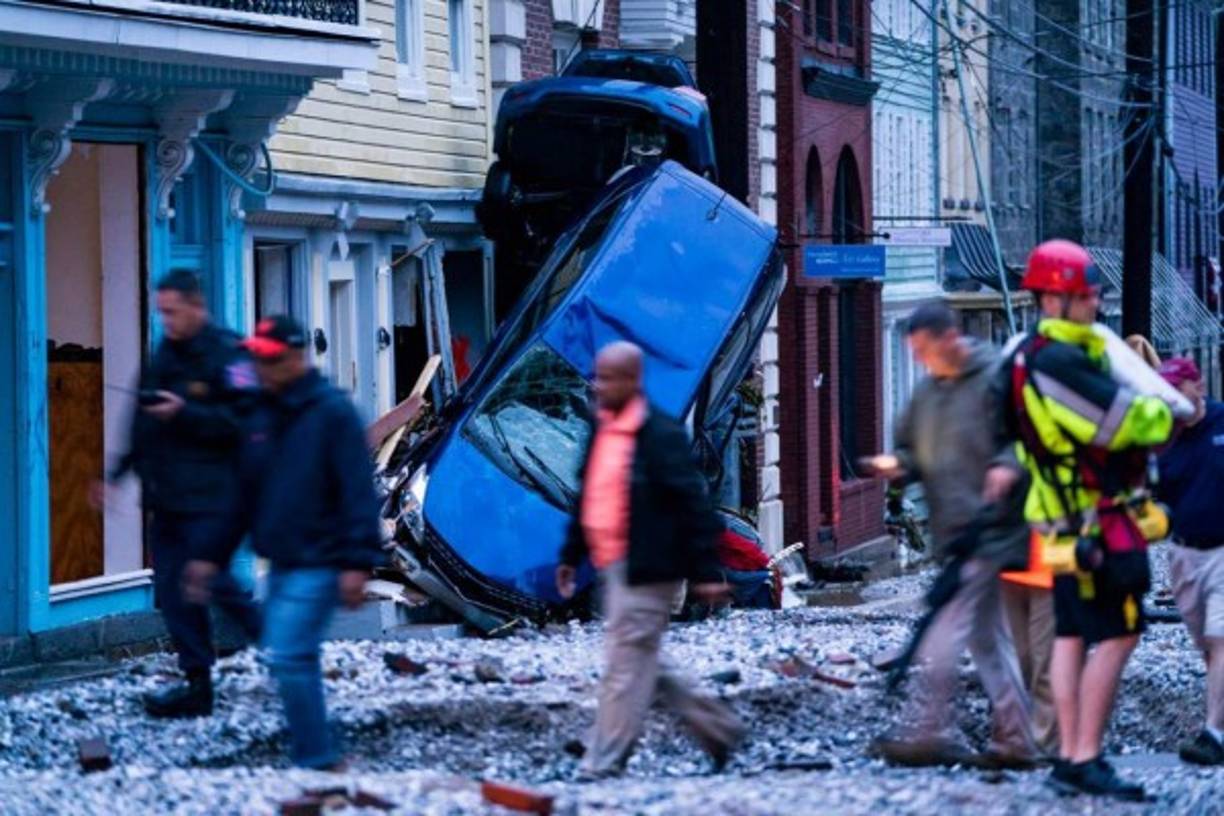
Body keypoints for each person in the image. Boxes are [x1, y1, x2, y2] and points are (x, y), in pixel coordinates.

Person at [999, 239, 1173, 800]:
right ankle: (1084, 753)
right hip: (1097, 522)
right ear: (1057, 299)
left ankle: (1070, 758)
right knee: (1120, 634)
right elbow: (1127, 423)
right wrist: (1164, 406)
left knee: (1072, 635)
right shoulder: (1062, 361)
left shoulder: (1023, 355)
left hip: (1059, 524)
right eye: (1088, 296)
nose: (1096, 304)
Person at [183, 315, 384, 771]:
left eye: (270, 358)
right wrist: (209, 557)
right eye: (257, 356)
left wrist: (358, 561)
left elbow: (357, 489)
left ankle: (317, 757)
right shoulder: (261, 415)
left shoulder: (332, 412)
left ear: (295, 358)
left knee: (289, 653)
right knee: (294, 656)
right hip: (282, 561)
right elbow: (240, 495)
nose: (260, 365)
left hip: (322, 558)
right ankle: (319, 748)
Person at [556, 341, 744, 781]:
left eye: (608, 378)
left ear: (633, 381)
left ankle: (603, 759)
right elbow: (591, 496)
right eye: (597, 376)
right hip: (614, 565)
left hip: (651, 569)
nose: (598, 386)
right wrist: (571, 556)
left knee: (623, 667)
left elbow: (693, 504)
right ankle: (719, 728)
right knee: (643, 660)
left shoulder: (659, 435)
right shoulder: (603, 427)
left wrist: (706, 573)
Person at [865, 302, 1038, 769]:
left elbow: (1027, 440)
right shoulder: (927, 394)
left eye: (923, 350)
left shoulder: (995, 381)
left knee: (945, 628)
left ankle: (927, 730)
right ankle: (1016, 738)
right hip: (952, 534)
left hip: (992, 529)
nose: (920, 360)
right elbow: (909, 447)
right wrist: (899, 465)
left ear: (949, 338)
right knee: (986, 638)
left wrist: (1005, 468)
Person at [95, 269, 260, 719]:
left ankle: (279, 644)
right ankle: (197, 685)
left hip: (213, 498)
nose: (166, 321)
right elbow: (143, 416)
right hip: (167, 499)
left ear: (196, 306)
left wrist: (186, 412)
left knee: (212, 580)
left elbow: (246, 424)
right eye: (160, 313)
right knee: (173, 590)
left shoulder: (230, 355)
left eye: (172, 312)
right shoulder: (166, 353)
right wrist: (117, 473)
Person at [1155, 357, 1224, 766]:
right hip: (1183, 554)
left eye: (1176, 390)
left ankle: (1213, 734)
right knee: (1207, 646)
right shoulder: (1161, 437)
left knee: (1220, 639)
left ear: (1197, 386)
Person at [999, 532, 1060, 758]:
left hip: (1050, 566)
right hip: (1007, 563)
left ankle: (1044, 742)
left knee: (1043, 661)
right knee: (1016, 660)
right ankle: (1011, 737)